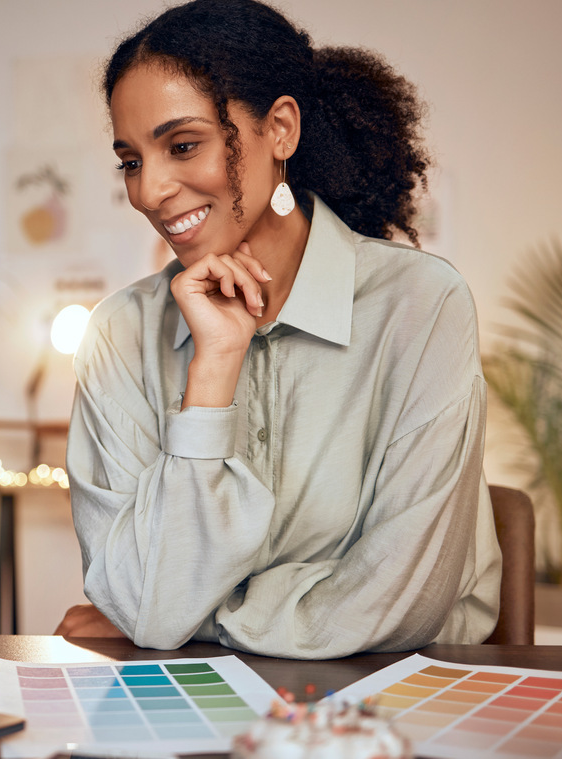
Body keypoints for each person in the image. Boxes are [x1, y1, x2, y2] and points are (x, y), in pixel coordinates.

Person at [55, 0, 501, 659]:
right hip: (194, 716)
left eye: (182, 145)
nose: (148, 191)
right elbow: (147, 605)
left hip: (395, 707)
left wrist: (197, 618)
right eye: (130, 160)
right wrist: (213, 369)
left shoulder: (421, 306)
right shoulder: (120, 333)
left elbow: (403, 604)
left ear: (281, 129)